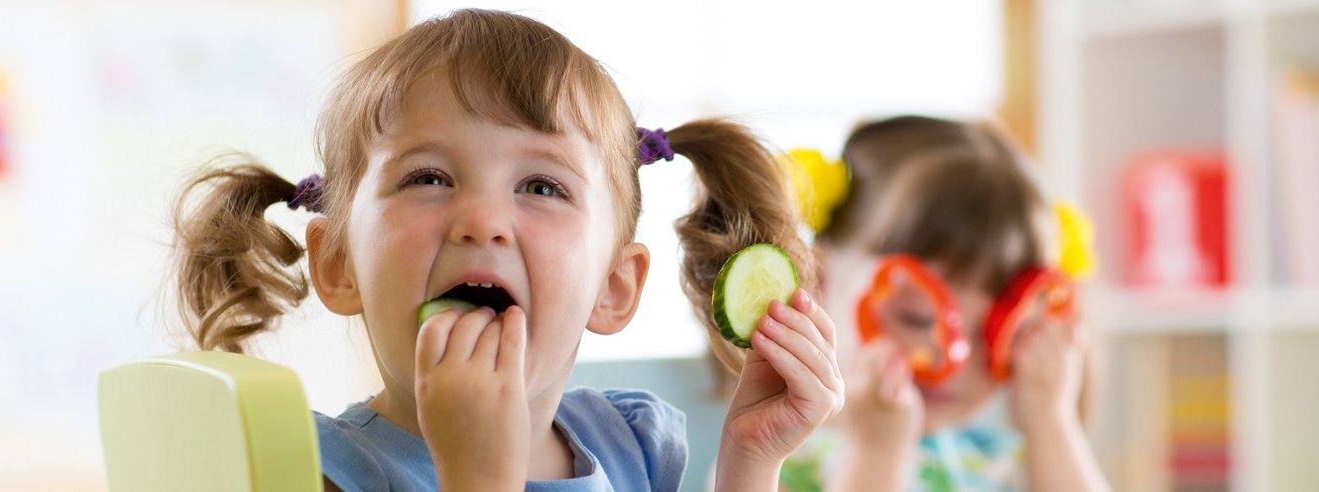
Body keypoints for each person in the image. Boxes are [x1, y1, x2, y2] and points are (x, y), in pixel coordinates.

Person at [168, 9, 844, 491]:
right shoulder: (311, 473)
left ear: (613, 287)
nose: (482, 220)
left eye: (541, 185)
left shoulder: (634, 448)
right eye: (428, 178)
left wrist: (750, 466)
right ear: (338, 263)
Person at [779, 116, 1108, 491]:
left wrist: (1051, 423)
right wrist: (876, 454)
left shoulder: (1013, 463)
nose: (955, 361)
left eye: (995, 330)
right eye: (917, 318)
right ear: (816, 280)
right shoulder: (773, 460)